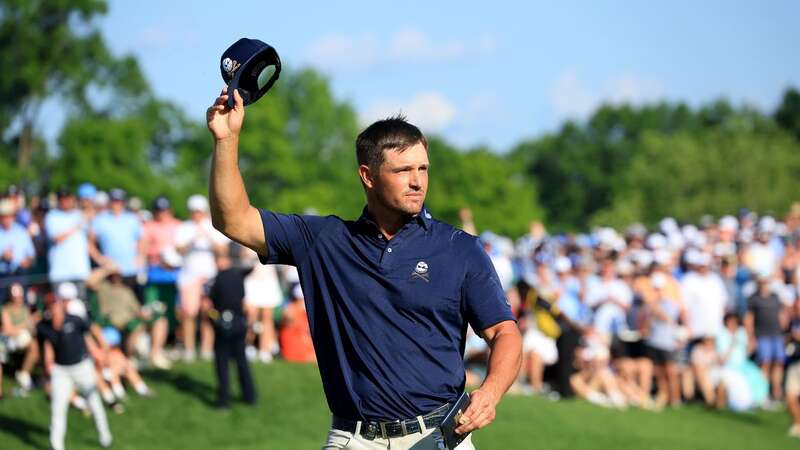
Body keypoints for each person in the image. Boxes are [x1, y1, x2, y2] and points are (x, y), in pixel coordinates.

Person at [206, 87, 522, 449]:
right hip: (354, 439)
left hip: (442, 436)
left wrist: (491, 392)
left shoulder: (459, 248)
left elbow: (504, 332)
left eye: (422, 168)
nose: (418, 181)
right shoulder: (323, 241)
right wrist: (226, 139)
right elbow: (233, 220)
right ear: (368, 176)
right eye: (403, 170)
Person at [37, 295, 112, 450]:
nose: (55, 308)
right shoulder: (44, 327)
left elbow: (93, 330)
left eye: (56, 304)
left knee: (94, 401)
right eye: (51, 306)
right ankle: (57, 446)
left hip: (81, 367)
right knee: (58, 408)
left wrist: (103, 349)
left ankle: (105, 437)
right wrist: (48, 368)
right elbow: (47, 347)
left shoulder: (75, 320)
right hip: (60, 371)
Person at [175, 194, 228, 361]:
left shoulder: (212, 227)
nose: (197, 214)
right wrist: (193, 239)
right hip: (189, 276)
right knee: (189, 313)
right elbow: (179, 250)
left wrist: (207, 236)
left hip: (208, 276)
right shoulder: (184, 228)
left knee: (208, 313)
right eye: (194, 211)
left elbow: (222, 251)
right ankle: (189, 349)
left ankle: (206, 348)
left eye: (199, 211)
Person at [205, 247, 256, 408]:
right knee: (241, 360)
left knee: (222, 362)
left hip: (223, 323)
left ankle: (224, 400)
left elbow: (210, 302)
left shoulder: (217, 280)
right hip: (239, 321)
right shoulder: (239, 275)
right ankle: (250, 396)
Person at [744, 271, 789, 402]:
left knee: (779, 363)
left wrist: (783, 328)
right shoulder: (753, 298)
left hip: (777, 335)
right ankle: (763, 393)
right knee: (765, 364)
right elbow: (749, 319)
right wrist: (751, 337)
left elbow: (782, 313)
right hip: (762, 335)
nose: (764, 285)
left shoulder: (775, 296)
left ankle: (776, 392)